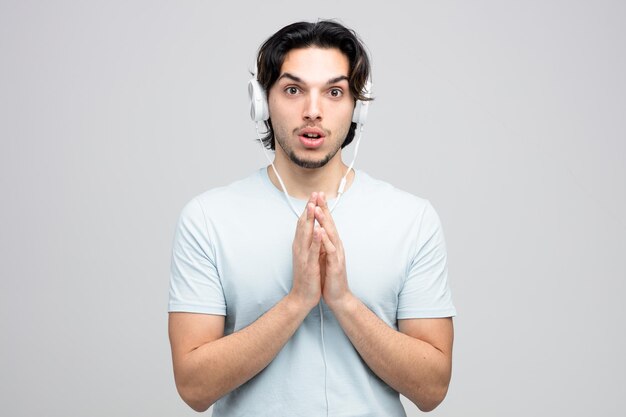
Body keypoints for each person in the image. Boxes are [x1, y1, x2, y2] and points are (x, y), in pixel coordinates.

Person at [168, 20, 456, 416]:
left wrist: (343, 302)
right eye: (293, 90)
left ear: (359, 106)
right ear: (261, 100)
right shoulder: (207, 219)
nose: (313, 111)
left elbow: (432, 388)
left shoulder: (412, 218)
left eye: (334, 92)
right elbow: (194, 387)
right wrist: (297, 301)